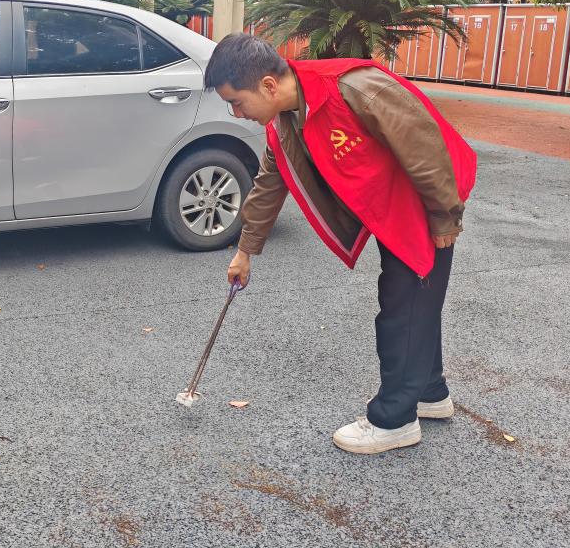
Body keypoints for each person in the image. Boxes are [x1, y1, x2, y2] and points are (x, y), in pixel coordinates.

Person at [204, 34, 477, 455]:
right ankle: (429, 392)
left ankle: (394, 420)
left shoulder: (355, 88)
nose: (237, 114)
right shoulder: (285, 122)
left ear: (268, 86)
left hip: (426, 201)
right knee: (416, 303)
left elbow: (425, 148)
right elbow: (269, 186)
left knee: (402, 309)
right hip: (391, 205)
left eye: (237, 103)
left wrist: (444, 216)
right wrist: (245, 252)